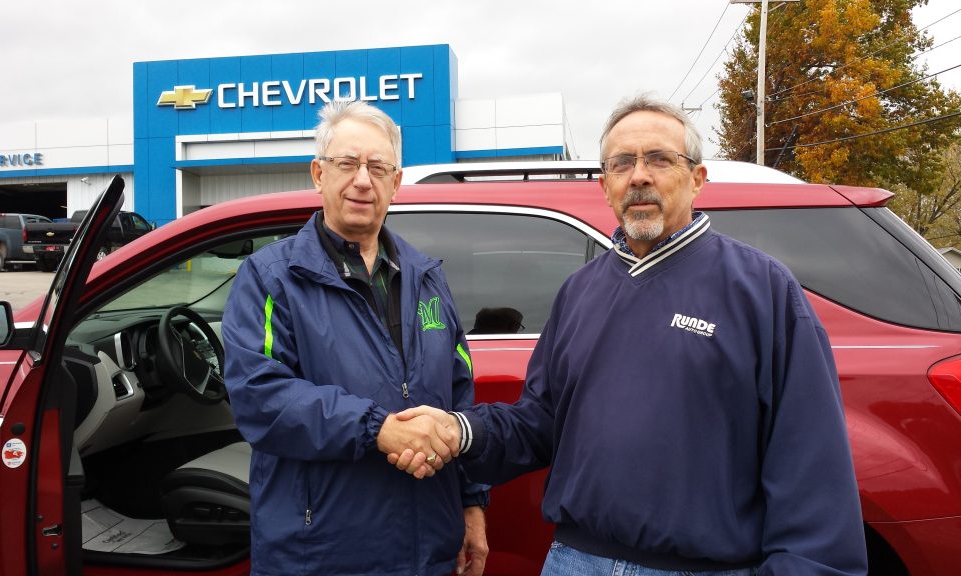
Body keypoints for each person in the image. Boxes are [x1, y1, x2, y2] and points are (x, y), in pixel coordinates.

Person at [391, 94, 867, 575]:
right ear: (605, 186)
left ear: (698, 180)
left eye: (659, 159)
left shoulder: (762, 290)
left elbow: (812, 467)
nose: (639, 175)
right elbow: (539, 424)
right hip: (573, 561)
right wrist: (459, 430)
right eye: (623, 163)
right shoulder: (579, 292)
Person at [222, 100, 489, 576]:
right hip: (320, 554)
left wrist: (471, 503)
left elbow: (458, 395)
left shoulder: (427, 278)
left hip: (426, 548)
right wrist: (378, 428)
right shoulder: (270, 278)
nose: (363, 180)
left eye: (378, 167)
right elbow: (259, 396)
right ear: (318, 174)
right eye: (347, 163)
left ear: (396, 182)